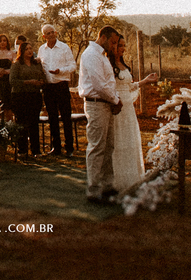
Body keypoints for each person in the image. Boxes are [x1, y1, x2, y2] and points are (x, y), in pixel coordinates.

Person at [78, 25, 123, 203]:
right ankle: (93, 189)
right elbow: (98, 85)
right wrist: (115, 100)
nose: (114, 46)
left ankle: (107, 185)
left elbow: (109, 83)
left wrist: (114, 99)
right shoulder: (91, 55)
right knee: (97, 147)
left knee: (108, 146)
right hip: (96, 104)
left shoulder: (102, 56)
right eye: (112, 42)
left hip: (106, 103)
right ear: (102, 37)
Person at [110, 35, 158, 191]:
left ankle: (131, 177)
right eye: (120, 45)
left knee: (129, 139)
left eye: (124, 45)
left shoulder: (123, 65)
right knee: (118, 140)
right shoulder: (109, 65)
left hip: (128, 107)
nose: (123, 49)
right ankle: (116, 179)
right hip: (116, 105)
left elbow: (129, 87)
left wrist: (145, 81)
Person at [37, 25, 76, 157]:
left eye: (52, 32)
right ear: (44, 36)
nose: (51, 35)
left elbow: (73, 66)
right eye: (48, 33)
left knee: (66, 117)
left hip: (61, 86)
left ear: (56, 33)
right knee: (52, 118)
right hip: (48, 88)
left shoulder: (64, 47)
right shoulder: (42, 49)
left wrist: (61, 71)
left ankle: (69, 147)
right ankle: (56, 147)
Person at [9, 41, 45, 159]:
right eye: (27, 49)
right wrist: (28, 82)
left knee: (34, 123)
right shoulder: (17, 65)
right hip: (20, 96)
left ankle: (36, 150)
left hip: (34, 96)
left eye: (31, 48)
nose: (30, 51)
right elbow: (12, 81)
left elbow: (42, 77)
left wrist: (40, 82)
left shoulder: (36, 64)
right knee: (22, 124)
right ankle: (22, 150)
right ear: (22, 51)